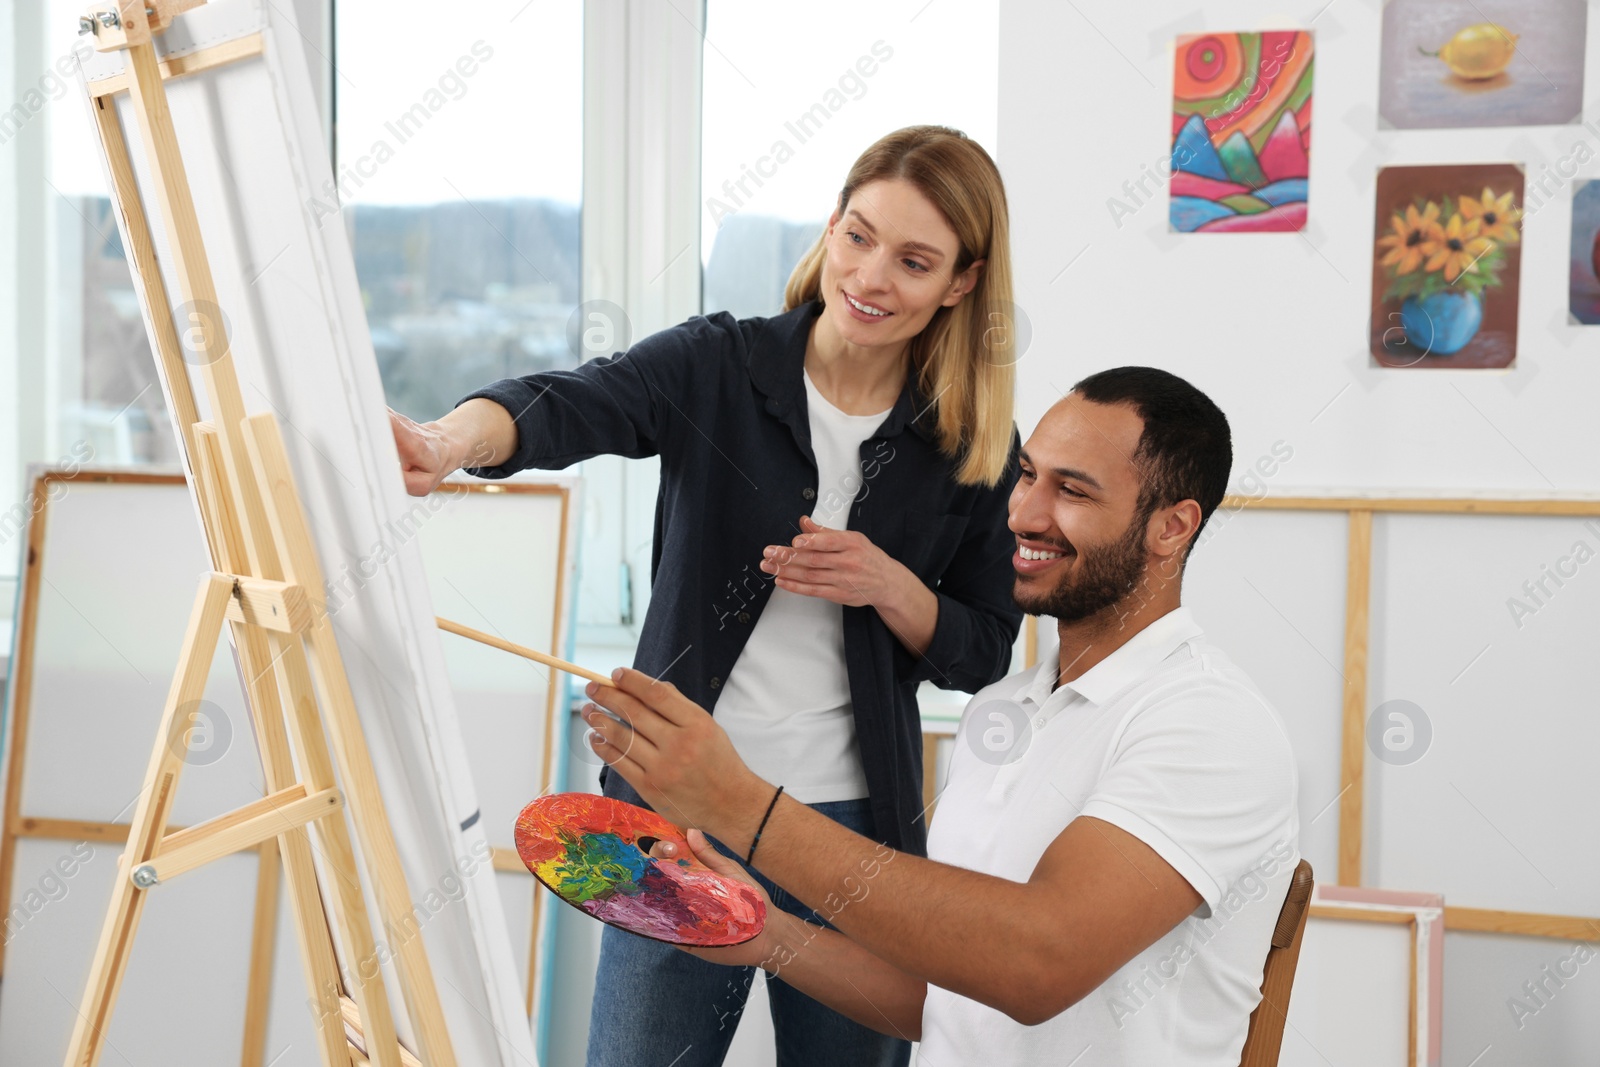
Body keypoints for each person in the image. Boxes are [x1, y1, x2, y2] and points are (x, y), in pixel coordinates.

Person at [390, 126, 1023, 1066]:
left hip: (850, 834)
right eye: (858, 236)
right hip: (672, 816)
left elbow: (986, 648)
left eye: (914, 260)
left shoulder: (973, 441)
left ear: (961, 283)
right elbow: (569, 401)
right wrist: (447, 443)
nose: (872, 277)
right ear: (832, 227)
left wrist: (891, 587)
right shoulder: (719, 366)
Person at [579, 367, 1302, 1066]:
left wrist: (736, 802)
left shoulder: (1212, 724)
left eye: (1072, 491)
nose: (1022, 513)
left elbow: (1034, 962)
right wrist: (766, 934)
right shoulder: (1001, 712)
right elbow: (945, 994)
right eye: (1026, 475)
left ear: (1172, 528)